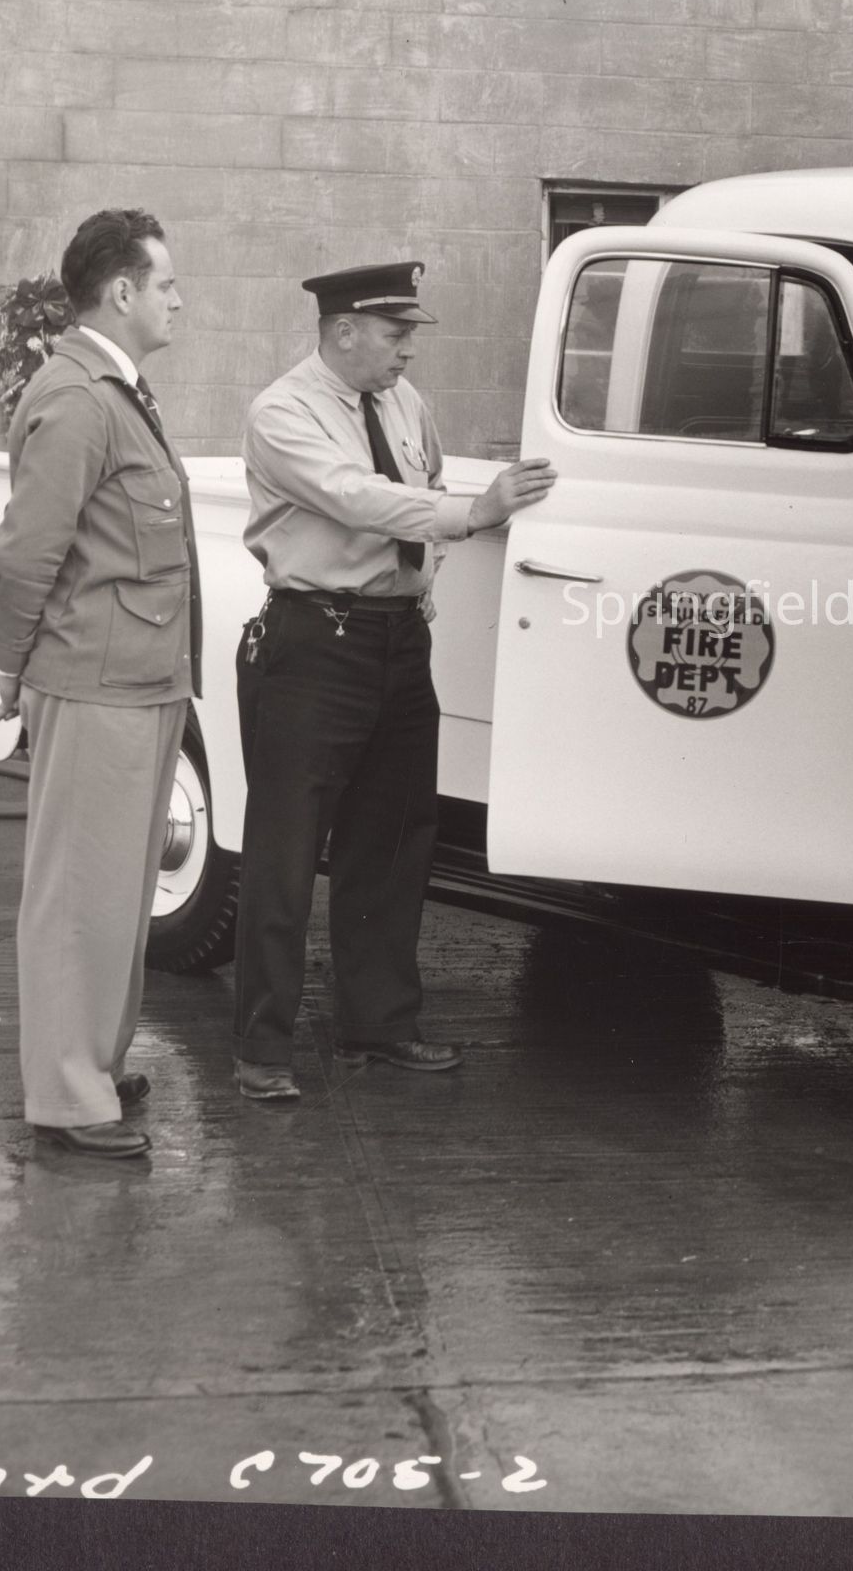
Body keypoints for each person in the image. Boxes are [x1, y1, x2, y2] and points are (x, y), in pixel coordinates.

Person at [231, 261, 558, 1102]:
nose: (408, 349)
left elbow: (427, 485)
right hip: (317, 642)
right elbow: (358, 498)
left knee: (394, 841)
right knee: (285, 852)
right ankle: (262, 1051)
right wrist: (474, 514)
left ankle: (377, 1028)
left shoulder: (404, 402)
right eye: (395, 332)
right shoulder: (284, 412)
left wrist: (428, 573)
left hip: (396, 640)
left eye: (410, 334)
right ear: (343, 331)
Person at [0, 208, 200, 1160]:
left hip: (141, 682)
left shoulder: (118, 392)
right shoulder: (76, 397)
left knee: (117, 896)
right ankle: (68, 1098)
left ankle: (95, 1066)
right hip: (96, 684)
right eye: (166, 284)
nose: (177, 300)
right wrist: (9, 667)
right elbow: (25, 554)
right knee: (79, 899)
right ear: (121, 292)